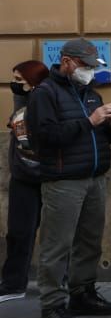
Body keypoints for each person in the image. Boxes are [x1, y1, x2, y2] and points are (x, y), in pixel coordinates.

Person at [25, 38, 111, 318]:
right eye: (85, 66)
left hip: (94, 177)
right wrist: (91, 122)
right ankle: (52, 304)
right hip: (63, 179)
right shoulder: (45, 94)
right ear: (67, 62)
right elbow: (44, 138)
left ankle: (82, 293)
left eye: (94, 66)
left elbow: (99, 138)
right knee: (58, 245)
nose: (90, 71)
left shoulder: (90, 94)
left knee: (89, 241)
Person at [0, 61, 51, 303]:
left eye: (20, 80)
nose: (15, 85)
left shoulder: (46, 101)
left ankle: (56, 282)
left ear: (34, 81)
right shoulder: (24, 101)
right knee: (19, 232)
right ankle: (13, 283)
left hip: (44, 176)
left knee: (55, 235)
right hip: (22, 177)